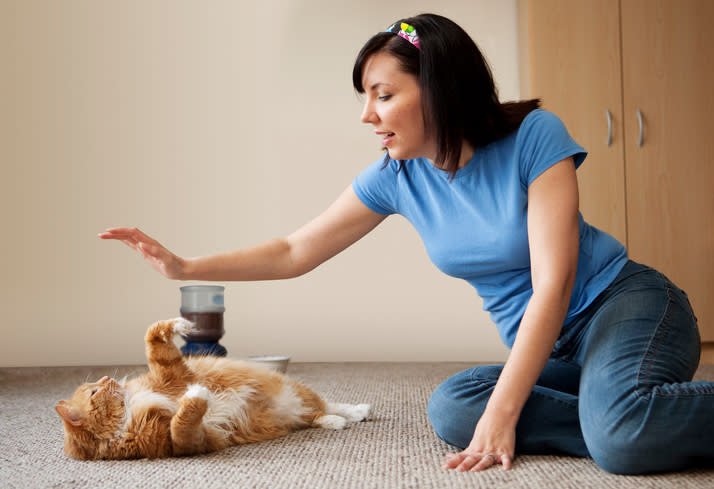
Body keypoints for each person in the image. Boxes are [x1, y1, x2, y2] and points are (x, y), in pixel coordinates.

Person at [99, 13, 713, 475]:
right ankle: (615, 414)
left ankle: (620, 422)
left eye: (383, 94)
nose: (368, 115)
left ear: (440, 89)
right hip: (561, 351)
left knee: (618, 440)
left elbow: (552, 285)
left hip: (627, 309)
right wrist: (183, 264)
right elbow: (294, 251)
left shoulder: (533, 136)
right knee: (453, 406)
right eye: (365, 97)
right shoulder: (396, 178)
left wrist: (505, 415)